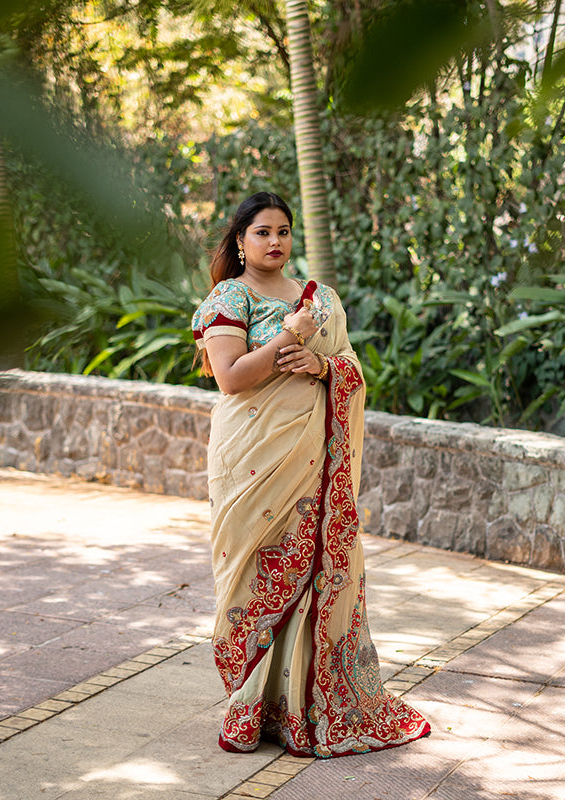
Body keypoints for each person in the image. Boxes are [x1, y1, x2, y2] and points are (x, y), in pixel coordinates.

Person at [191, 192, 431, 758]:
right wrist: (289, 336)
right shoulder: (229, 297)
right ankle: (254, 706)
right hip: (252, 458)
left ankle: (307, 704)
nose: (275, 241)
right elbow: (230, 378)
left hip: (312, 460)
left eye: (283, 231)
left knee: (315, 570)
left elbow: (349, 367)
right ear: (240, 242)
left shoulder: (321, 300)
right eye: (262, 232)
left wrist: (324, 365)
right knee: (257, 574)